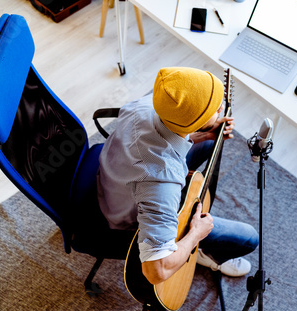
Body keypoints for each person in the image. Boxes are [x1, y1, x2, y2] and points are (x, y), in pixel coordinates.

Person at [97, 67, 259, 285]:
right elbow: (156, 271)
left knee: (212, 140)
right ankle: (208, 256)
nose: (221, 108)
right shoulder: (161, 181)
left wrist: (201, 134)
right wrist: (195, 235)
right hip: (127, 216)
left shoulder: (146, 103)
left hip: (116, 176)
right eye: (215, 109)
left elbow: (161, 130)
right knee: (249, 238)